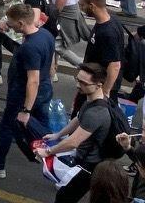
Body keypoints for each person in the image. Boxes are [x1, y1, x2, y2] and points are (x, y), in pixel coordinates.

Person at [0, 3, 54, 180]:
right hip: (44, 91)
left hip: (23, 96)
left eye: (11, 23)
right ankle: (53, 159)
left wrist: (25, 111)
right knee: (44, 128)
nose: (9, 25)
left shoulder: (29, 47)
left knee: (7, 127)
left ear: (21, 23)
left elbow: (32, 80)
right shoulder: (46, 35)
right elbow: (48, 62)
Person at [35, 62, 121, 203]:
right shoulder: (92, 100)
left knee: (64, 198)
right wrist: (57, 135)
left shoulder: (96, 112)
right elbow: (78, 119)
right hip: (85, 160)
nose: (78, 85)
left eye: (83, 83)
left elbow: (73, 142)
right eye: (77, 79)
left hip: (91, 166)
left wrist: (48, 151)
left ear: (99, 85)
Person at [74, 0, 123, 110]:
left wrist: (105, 93)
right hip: (92, 83)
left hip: (97, 87)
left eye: (82, 5)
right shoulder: (106, 22)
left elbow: (115, 65)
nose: (81, 8)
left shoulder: (108, 32)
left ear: (92, 6)